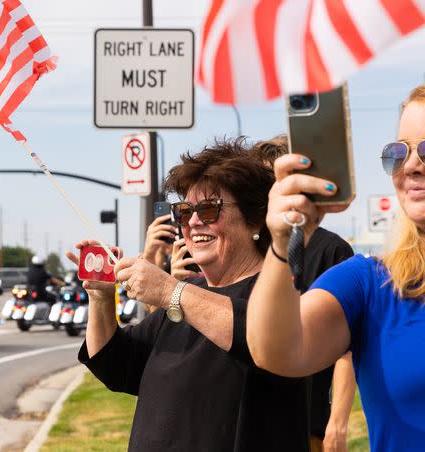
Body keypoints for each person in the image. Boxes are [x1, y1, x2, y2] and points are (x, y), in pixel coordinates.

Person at [69, 139, 309, 451]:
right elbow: (114, 365)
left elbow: (260, 336)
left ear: (254, 218)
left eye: (209, 209)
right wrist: (101, 298)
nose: (193, 222)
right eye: (183, 212)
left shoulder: (276, 290)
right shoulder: (190, 293)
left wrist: (169, 289)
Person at [247, 86, 425, 451]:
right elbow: (274, 350)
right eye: (398, 152)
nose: (410, 166)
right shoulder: (370, 283)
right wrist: (282, 244)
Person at [250, 136, 357, 452]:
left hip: (306, 423)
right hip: (246, 420)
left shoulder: (332, 249)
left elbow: (346, 351)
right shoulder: (246, 244)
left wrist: (336, 424)